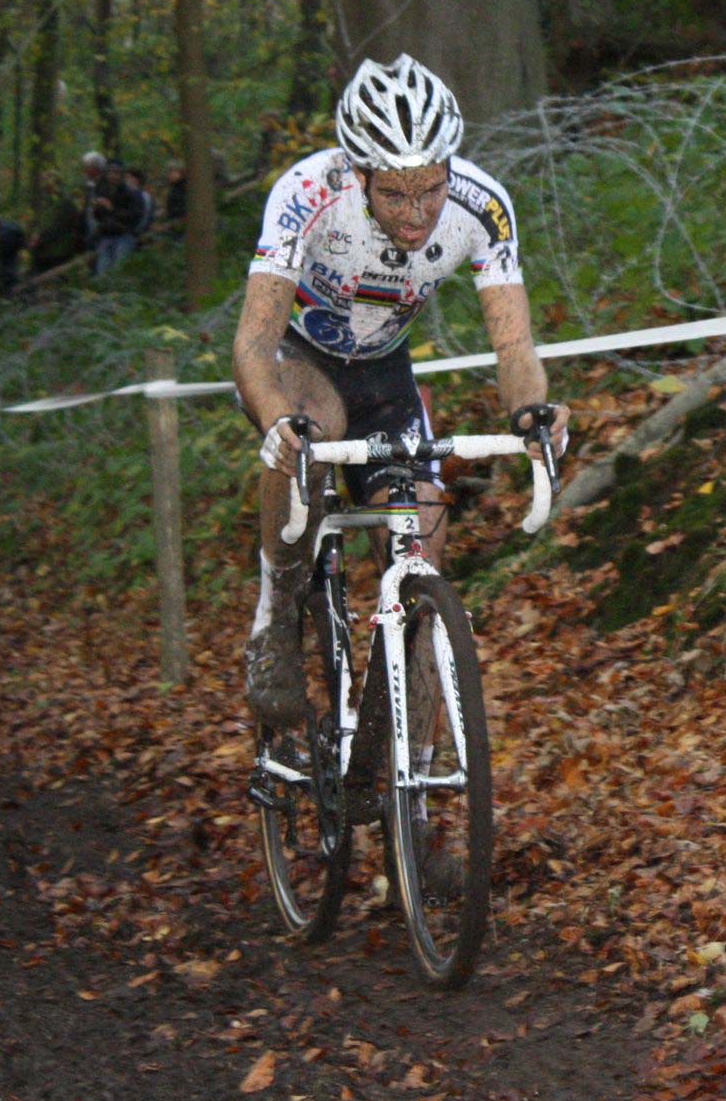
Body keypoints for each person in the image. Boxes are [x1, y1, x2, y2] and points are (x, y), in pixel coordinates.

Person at [232, 53, 570, 735]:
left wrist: (531, 411)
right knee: (313, 431)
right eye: (393, 195)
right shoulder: (307, 193)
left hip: (386, 374)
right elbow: (252, 342)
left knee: (427, 531)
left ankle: (406, 762)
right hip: (301, 362)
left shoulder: (481, 205)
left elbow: (513, 346)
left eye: (430, 191)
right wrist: (275, 420)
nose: (416, 216)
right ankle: (276, 617)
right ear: (359, 174)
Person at [90, 158, 144, 275]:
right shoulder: (101, 189)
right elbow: (98, 216)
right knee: (102, 273)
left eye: (116, 172)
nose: (112, 176)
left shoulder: (130, 192)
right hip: (105, 235)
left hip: (123, 236)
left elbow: (135, 215)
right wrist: (97, 208)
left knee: (119, 273)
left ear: (121, 174)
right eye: (110, 172)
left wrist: (112, 209)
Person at [0, 217, 27, 295]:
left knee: (7, 265)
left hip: (7, 245)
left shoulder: (3, 228)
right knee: (10, 264)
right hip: (13, 244)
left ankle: (8, 289)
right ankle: (11, 287)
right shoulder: (9, 225)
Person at [125, 168, 155, 237]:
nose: (126, 180)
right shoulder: (125, 194)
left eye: (128, 177)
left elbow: (146, 217)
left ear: (136, 180)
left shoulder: (145, 197)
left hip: (133, 234)